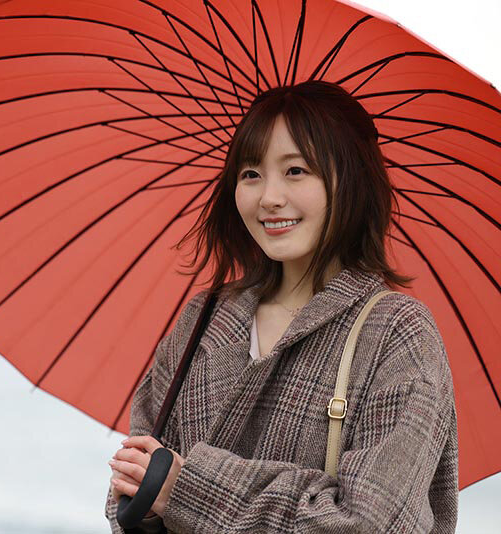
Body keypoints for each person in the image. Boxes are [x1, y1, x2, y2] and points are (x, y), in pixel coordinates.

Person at [103, 80, 458, 533]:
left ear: (351, 181)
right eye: (250, 174)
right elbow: (133, 491)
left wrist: (188, 491)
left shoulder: (396, 333)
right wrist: (145, 503)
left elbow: (372, 523)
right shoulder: (204, 319)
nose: (269, 197)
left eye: (295, 170)